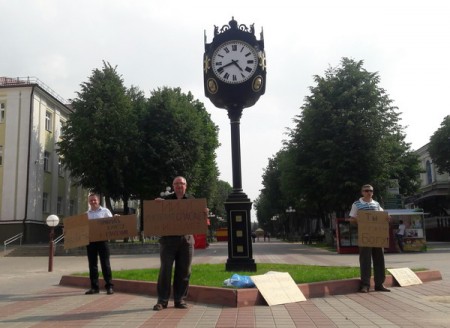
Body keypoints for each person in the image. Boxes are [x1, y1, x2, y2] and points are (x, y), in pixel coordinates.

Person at [153, 176, 204, 311]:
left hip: (186, 240)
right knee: (165, 270)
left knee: (184, 270)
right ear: (173, 186)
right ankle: (162, 300)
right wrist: (156, 205)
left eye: (181, 184)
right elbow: (157, 217)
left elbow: (200, 219)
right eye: (176, 184)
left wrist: (204, 213)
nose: (179, 186)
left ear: (186, 186)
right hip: (167, 241)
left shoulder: (193, 201)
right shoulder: (166, 201)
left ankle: (179, 299)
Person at [347, 184, 390, 293]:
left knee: (380, 260)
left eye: (370, 190)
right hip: (365, 236)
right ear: (362, 192)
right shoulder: (356, 204)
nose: (368, 192)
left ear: (373, 192)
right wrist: (360, 220)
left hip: (377, 237)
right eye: (366, 190)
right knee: (365, 261)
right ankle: (365, 285)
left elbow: (382, 215)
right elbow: (351, 218)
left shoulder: (376, 204)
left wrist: (387, 217)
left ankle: (379, 284)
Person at [85, 193, 114, 295]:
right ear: (89, 202)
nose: (93, 202)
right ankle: (94, 287)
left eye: (94, 200)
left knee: (105, 263)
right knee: (92, 265)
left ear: (98, 201)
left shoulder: (105, 211)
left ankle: (109, 287)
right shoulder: (86, 214)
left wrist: (117, 218)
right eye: (91, 200)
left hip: (103, 241)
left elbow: (113, 223)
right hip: (90, 242)